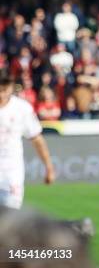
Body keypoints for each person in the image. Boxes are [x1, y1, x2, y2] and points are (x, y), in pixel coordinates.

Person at [0, 74, 55, 209]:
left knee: (11, 217)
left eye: (4, 89)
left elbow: (36, 138)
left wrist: (49, 167)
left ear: (11, 87)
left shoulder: (21, 108)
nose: (1, 94)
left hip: (11, 171)